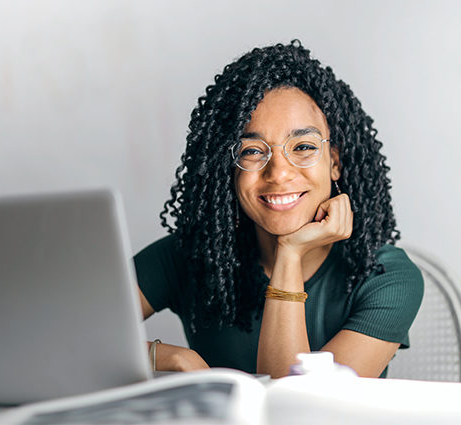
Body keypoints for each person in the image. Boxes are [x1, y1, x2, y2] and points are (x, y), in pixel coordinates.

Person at [134, 40, 423, 379]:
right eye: (252, 151)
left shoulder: (385, 276)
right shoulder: (191, 255)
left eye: (302, 146)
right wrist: (171, 357)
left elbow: (298, 410)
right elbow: (64, 335)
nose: (279, 173)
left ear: (335, 162)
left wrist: (290, 253)